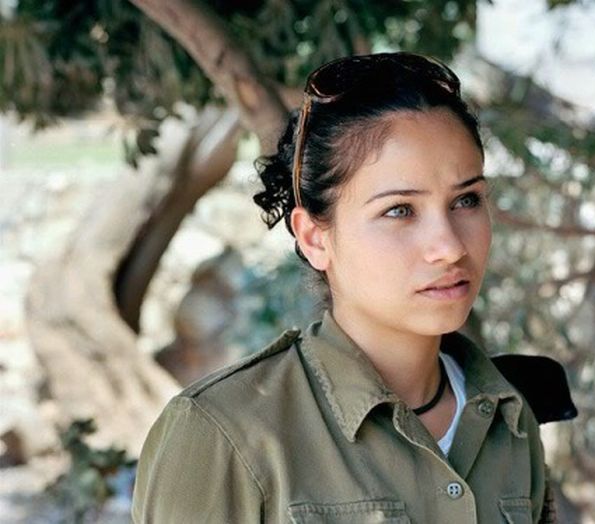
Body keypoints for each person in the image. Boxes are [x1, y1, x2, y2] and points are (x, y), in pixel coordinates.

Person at [131, 52, 569, 523]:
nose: (448, 247)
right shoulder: (224, 434)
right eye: (400, 210)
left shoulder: (509, 413)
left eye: (466, 200)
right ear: (315, 238)